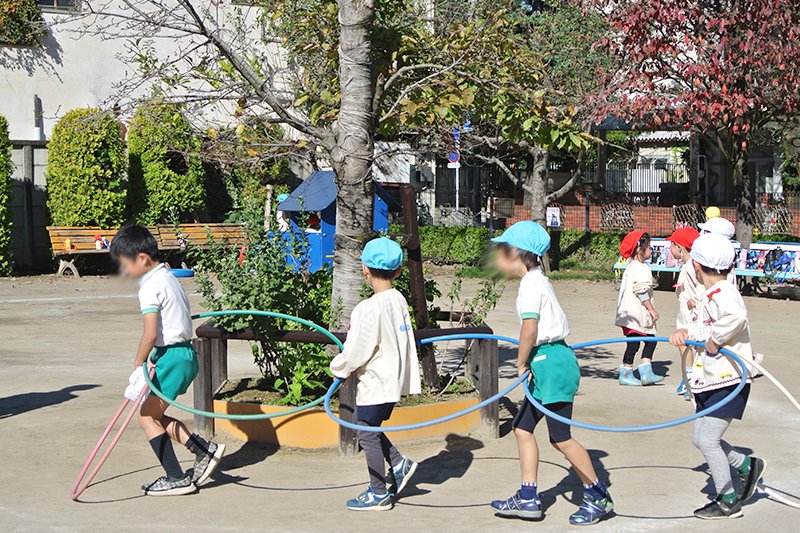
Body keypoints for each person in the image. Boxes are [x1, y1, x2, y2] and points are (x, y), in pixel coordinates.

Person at [489, 221, 613, 526]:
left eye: (502, 250)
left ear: (516, 253)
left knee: (560, 438)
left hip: (552, 363)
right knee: (522, 428)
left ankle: (597, 494)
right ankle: (528, 496)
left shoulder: (532, 284)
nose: (498, 257)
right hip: (547, 363)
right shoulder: (536, 280)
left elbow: (529, 328)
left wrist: (520, 363)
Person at [110, 225, 225, 496]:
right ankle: (203, 450)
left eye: (125, 265)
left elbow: (150, 333)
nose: (124, 272)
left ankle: (176, 477)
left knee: (146, 417)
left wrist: (137, 364)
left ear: (141, 258)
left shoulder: (149, 288)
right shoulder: (169, 277)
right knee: (155, 415)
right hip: (183, 353)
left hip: (171, 357)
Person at [669, 233, 766, 519]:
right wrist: (687, 333)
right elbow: (705, 328)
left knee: (709, 439)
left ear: (696, 266)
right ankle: (747, 466)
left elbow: (735, 318)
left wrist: (716, 339)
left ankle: (727, 499)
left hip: (729, 379)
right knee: (700, 437)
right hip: (709, 377)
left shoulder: (725, 293)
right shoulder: (709, 295)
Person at [330, 237, 421, 511]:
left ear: (364, 270)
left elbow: (357, 350)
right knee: (368, 426)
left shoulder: (367, 308)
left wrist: (340, 369)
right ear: (398, 271)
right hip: (393, 381)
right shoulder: (398, 300)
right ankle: (398, 463)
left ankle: (378, 491)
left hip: (376, 381)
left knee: (366, 433)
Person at [615, 231, 664, 386]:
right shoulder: (641, 268)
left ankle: (645, 370)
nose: (650, 250)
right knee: (636, 343)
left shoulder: (631, 267)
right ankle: (626, 371)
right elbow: (641, 291)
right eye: (648, 247)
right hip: (636, 314)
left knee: (648, 341)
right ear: (639, 249)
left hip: (629, 313)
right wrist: (652, 310)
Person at [666, 227, 701, 397]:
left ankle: (692, 380)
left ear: (679, 247)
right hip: (684, 315)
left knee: (690, 344)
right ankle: (688, 377)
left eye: (672, 244)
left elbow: (702, 287)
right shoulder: (687, 265)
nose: (670, 248)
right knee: (683, 344)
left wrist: (697, 301)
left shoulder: (693, 267)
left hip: (692, 315)